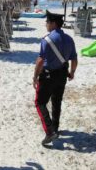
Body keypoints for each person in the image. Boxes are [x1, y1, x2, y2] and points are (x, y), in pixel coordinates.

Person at [33, 10, 78, 145]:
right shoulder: (69, 39)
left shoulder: (47, 39)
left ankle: (50, 132)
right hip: (62, 74)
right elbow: (74, 59)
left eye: (47, 22)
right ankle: (56, 128)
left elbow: (40, 60)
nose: (46, 24)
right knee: (56, 101)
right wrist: (72, 72)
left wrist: (35, 76)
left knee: (40, 102)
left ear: (53, 23)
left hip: (48, 75)